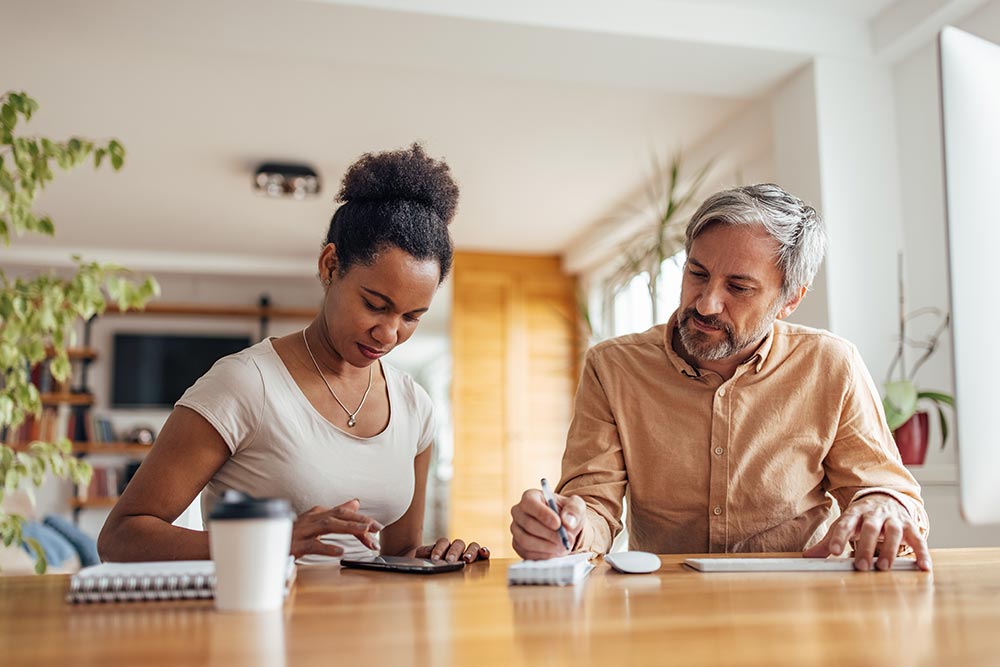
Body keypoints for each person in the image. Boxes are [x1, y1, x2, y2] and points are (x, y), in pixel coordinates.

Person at [99, 144, 489, 565]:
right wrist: (269, 541)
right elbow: (120, 538)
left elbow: (396, 555)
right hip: (261, 625)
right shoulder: (245, 384)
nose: (390, 333)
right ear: (329, 265)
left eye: (412, 316)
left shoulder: (416, 408)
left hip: (375, 631)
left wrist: (436, 557)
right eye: (375, 304)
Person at [510, 183, 932, 571]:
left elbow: (884, 490)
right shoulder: (613, 367)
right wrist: (566, 529)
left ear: (790, 300)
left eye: (739, 287)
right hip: (667, 610)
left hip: (799, 611)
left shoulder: (831, 365)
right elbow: (595, 508)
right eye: (697, 274)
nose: (707, 304)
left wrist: (883, 507)